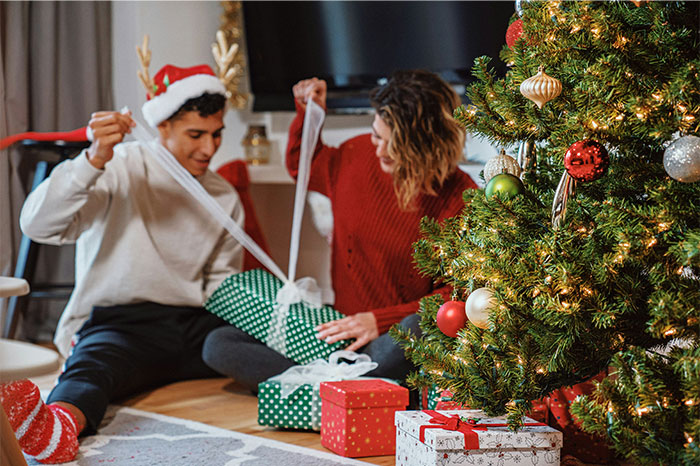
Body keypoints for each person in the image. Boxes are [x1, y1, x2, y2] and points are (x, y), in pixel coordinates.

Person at [0, 63, 244, 464]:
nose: (209, 149)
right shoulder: (119, 166)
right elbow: (37, 224)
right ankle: (60, 426)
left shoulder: (224, 196)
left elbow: (221, 282)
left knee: (260, 338)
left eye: (217, 135)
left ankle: (338, 383)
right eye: (195, 135)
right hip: (122, 321)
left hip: (191, 323)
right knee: (95, 365)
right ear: (162, 126)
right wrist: (93, 159)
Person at [203, 69, 478, 391]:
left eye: (396, 145)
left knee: (417, 328)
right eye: (377, 136)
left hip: (389, 341)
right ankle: (349, 389)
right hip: (336, 331)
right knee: (220, 342)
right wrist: (310, 112)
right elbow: (302, 166)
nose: (379, 151)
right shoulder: (355, 154)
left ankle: (319, 386)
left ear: (428, 145)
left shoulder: (459, 197)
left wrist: (379, 321)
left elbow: (454, 297)